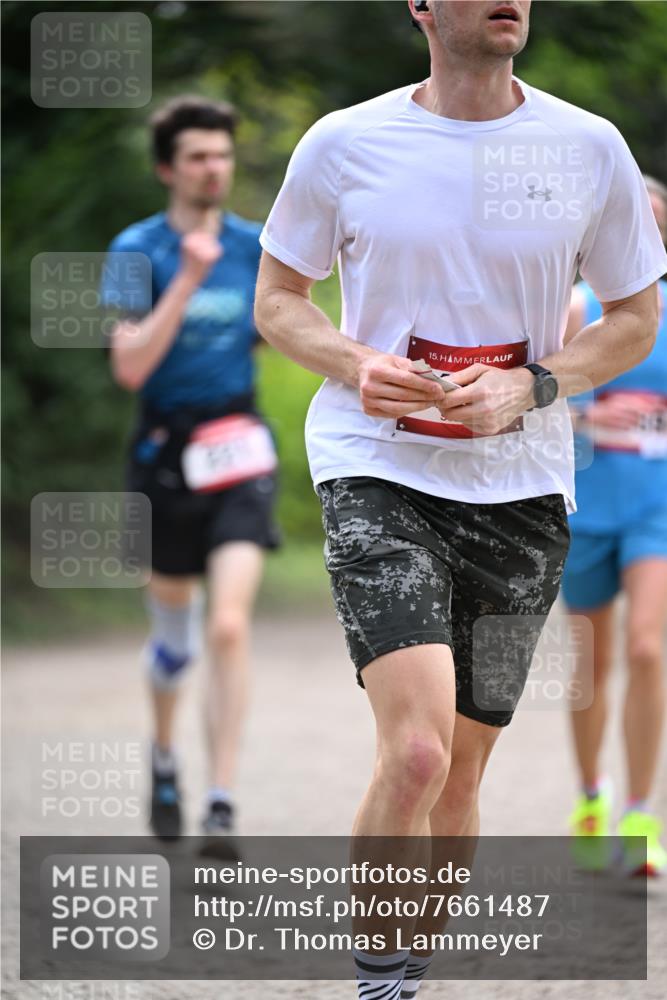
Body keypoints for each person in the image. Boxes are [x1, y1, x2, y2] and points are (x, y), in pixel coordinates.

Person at [254, 0, 666, 995]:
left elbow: (635, 316)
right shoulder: (343, 142)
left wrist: (537, 384)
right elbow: (279, 296)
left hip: (519, 487)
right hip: (376, 465)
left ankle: (409, 962)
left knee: (462, 774)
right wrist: (352, 360)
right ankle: (379, 977)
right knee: (417, 751)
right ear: (421, 6)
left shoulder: (586, 146)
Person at [101, 95, 280, 842]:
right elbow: (130, 367)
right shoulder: (133, 250)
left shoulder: (256, 247)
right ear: (166, 169)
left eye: (222, 156)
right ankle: (166, 755)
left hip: (238, 448)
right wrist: (184, 282)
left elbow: (280, 331)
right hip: (163, 455)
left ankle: (222, 798)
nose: (215, 169)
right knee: (175, 639)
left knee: (230, 626)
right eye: (199, 157)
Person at [563, 175, 667, 876]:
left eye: (657, 225)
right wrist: (587, 418)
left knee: (646, 650)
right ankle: (590, 798)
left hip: (655, 503)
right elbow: (530, 404)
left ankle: (639, 816)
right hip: (585, 506)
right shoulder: (573, 309)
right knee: (590, 668)